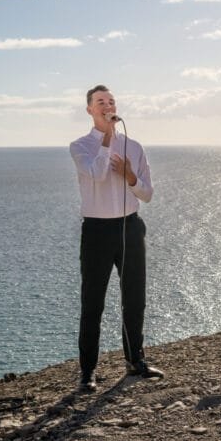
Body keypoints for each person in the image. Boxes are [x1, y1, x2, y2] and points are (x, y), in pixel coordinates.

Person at [69, 84, 163, 391]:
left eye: (111, 101)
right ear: (90, 110)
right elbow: (96, 173)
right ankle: (88, 371)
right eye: (100, 102)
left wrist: (130, 176)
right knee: (92, 303)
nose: (107, 105)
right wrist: (108, 139)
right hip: (96, 231)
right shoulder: (80, 146)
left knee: (134, 299)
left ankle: (135, 360)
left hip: (130, 227)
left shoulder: (134, 147)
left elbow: (146, 193)